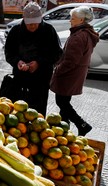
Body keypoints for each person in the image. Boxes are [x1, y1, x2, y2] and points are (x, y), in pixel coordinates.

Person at [4, 2, 62, 117]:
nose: (33, 26)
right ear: (24, 19)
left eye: (36, 23)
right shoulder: (15, 31)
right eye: (30, 24)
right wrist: (17, 62)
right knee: (19, 112)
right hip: (20, 78)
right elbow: (9, 53)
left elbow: (57, 53)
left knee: (38, 112)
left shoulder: (49, 30)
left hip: (41, 79)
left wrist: (39, 63)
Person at [50, 6, 99, 136]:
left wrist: (57, 70)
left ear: (81, 20)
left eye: (73, 18)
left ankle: (82, 124)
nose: (70, 21)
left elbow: (70, 61)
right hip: (75, 74)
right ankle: (64, 130)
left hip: (68, 75)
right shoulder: (85, 33)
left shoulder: (78, 36)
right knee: (64, 102)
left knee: (62, 102)